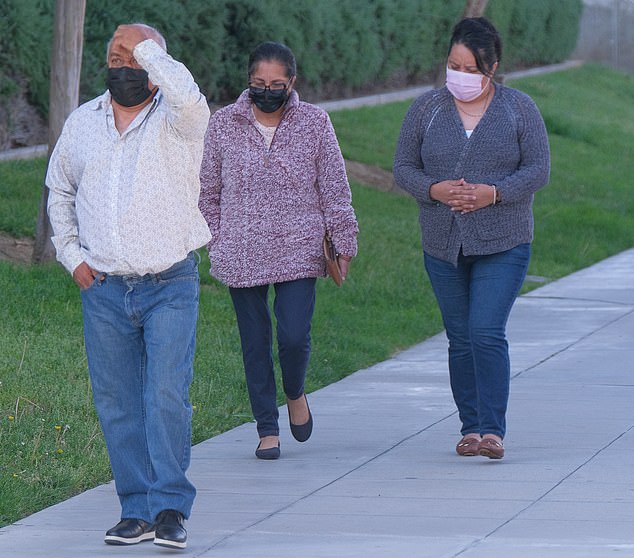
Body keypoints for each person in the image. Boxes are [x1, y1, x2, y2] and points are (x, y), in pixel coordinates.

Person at [46, 23, 211, 549]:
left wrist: (143, 44)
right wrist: (71, 257)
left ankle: (170, 509)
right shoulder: (82, 123)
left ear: (157, 65)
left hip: (170, 283)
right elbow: (59, 189)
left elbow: (188, 93)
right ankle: (134, 510)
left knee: (165, 396)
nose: (126, 68)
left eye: (137, 59)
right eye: (116, 58)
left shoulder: (179, 120)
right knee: (117, 402)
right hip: (105, 290)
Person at [393, 17, 550, 460]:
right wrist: (434, 190)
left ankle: (493, 430)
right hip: (443, 244)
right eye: (453, 65)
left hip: (504, 242)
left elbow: (538, 169)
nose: (459, 76)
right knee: (459, 337)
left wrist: (494, 193)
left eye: (469, 68)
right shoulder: (427, 109)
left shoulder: (519, 109)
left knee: (485, 331)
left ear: (492, 67)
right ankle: (471, 428)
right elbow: (404, 166)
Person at [199, 41, 358, 460]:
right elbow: (207, 191)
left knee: (292, 336)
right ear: (248, 82)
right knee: (254, 341)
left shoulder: (315, 123)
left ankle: (295, 392)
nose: (266, 90)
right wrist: (217, 239)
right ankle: (266, 428)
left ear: (292, 83)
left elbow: (335, 189)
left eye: (276, 84)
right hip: (241, 249)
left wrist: (344, 241)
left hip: (300, 247)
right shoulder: (222, 125)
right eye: (258, 83)